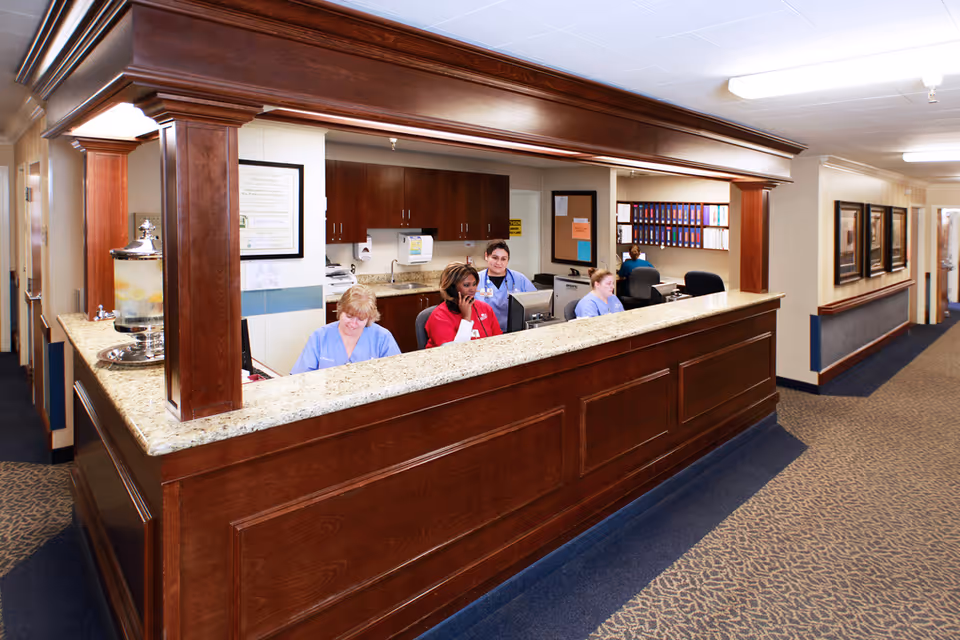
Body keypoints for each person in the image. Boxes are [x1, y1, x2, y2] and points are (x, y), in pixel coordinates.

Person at [290, 284, 400, 373]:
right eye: (349, 316)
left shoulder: (382, 338)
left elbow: (397, 374)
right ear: (340, 309)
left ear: (370, 318)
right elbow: (300, 378)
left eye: (361, 319)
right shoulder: (320, 337)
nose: (353, 324)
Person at [425, 262, 503, 348]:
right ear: (452, 288)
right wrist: (466, 318)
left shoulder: (485, 308)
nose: (472, 289)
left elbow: (498, 341)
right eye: (466, 285)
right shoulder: (439, 316)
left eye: (474, 284)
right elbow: (453, 352)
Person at [475, 239, 537, 331]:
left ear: (508, 260)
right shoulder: (476, 280)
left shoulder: (519, 279)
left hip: (514, 330)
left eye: (503, 259)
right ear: (486, 256)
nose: (499, 263)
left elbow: (535, 303)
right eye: (495, 258)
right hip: (485, 332)